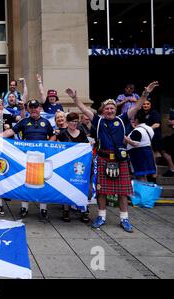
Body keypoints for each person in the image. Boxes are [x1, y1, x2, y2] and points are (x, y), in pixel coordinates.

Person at [66, 81, 159, 233]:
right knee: (102, 191)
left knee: (122, 192)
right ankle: (101, 216)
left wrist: (146, 93)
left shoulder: (123, 119)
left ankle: (124, 219)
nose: (109, 110)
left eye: (112, 108)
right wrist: (75, 98)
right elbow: (84, 109)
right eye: (107, 108)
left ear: (116, 109)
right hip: (103, 159)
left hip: (119, 160)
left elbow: (136, 106)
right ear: (103, 110)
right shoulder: (99, 120)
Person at [0, 99, 56, 221]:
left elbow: (53, 135)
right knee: (26, 182)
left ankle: (43, 209)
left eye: (36, 107)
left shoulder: (46, 122)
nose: (34, 110)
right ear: (28, 109)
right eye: (31, 107)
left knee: (42, 182)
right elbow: (11, 131)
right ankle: (24, 208)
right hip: (27, 158)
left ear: (39, 108)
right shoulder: (24, 121)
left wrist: (49, 145)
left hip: (42, 158)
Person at [57, 112, 90, 223]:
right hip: (66, 165)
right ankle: (66, 210)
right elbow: (57, 149)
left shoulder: (82, 134)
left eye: (76, 121)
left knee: (81, 186)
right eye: (72, 121)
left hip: (80, 165)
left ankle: (84, 210)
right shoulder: (62, 134)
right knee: (66, 187)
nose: (74, 123)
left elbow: (86, 148)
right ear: (67, 122)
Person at [125, 112, 156, 182]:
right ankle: (146, 192)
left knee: (140, 176)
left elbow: (135, 143)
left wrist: (126, 138)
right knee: (144, 176)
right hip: (147, 152)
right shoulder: (149, 128)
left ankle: (143, 192)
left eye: (134, 119)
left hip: (138, 154)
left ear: (137, 120)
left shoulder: (137, 130)